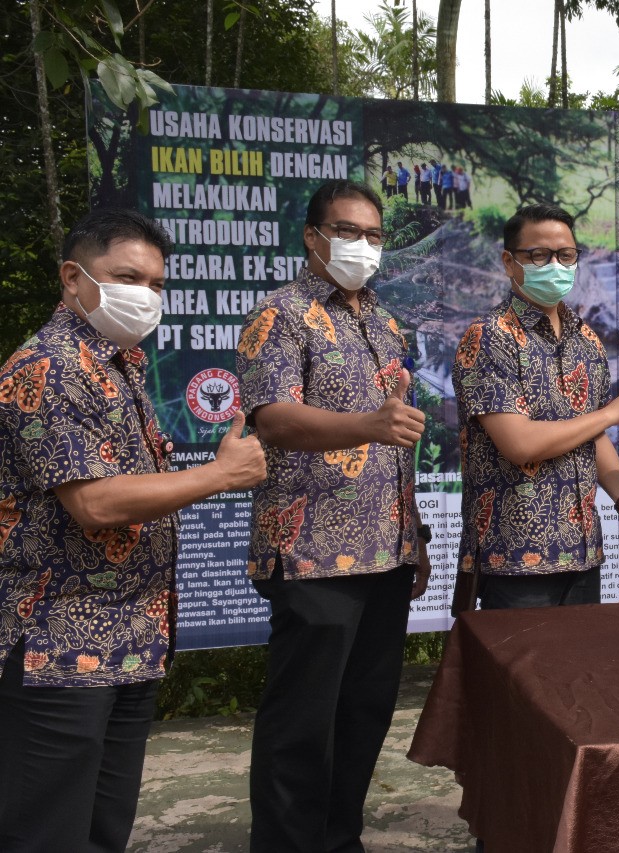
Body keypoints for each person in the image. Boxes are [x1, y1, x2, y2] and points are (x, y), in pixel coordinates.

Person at [0, 208, 267, 852]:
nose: (145, 296)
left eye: (156, 284)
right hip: (58, 645)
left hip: (130, 635)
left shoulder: (119, 365)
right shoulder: (46, 368)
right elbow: (93, 503)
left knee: (103, 830)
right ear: (73, 277)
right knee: (47, 833)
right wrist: (219, 475)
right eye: (127, 277)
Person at [236, 179, 432, 852]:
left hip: (386, 549)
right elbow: (273, 418)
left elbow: (396, 436)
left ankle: (339, 839)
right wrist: (367, 424)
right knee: (303, 723)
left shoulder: (383, 321)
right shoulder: (279, 315)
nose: (363, 245)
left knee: (364, 714)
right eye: (348, 231)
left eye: (374, 235)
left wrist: (415, 533)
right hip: (312, 552)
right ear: (312, 237)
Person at [451, 203, 619, 613]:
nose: (555, 265)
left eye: (565, 255)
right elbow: (520, 445)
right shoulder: (489, 337)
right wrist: (611, 412)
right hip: (515, 560)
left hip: (582, 553)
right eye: (539, 255)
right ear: (509, 262)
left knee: (578, 658)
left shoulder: (586, 338)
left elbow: (592, 436)